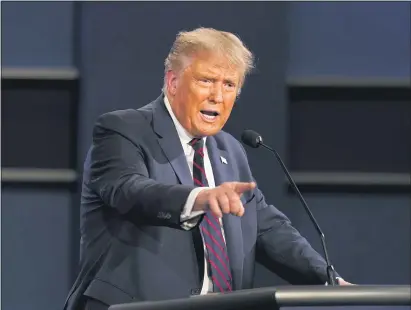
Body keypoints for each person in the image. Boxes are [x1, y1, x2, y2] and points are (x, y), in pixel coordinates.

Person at [64, 27, 351, 310]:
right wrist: (198, 198)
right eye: (206, 80)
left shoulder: (230, 150)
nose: (218, 95)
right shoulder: (124, 129)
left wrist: (329, 280)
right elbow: (130, 190)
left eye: (229, 85)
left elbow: (265, 228)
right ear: (173, 82)